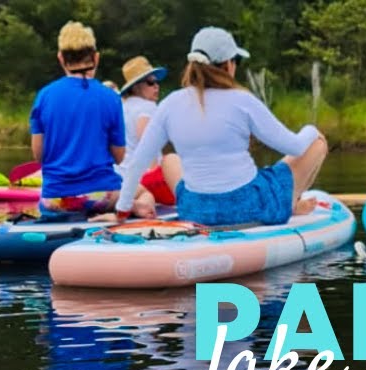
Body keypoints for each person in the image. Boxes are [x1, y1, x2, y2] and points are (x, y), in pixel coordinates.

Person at [113, 27, 327, 226]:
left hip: (196, 210)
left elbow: (138, 163)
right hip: (249, 207)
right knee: (316, 143)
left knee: (170, 160)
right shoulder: (243, 100)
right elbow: (296, 147)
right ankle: (290, 203)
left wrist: (122, 210)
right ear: (228, 65)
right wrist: (312, 129)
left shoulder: (170, 103)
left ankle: (291, 204)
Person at [29, 22, 152, 217]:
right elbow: (119, 156)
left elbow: (38, 155)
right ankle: (128, 210)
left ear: (61, 58)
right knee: (144, 192)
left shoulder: (44, 96)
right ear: (96, 57)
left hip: (55, 200)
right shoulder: (111, 98)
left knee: (53, 199)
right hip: (101, 197)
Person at [118, 55, 175, 206]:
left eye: (156, 82)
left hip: (123, 179)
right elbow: (148, 148)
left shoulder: (122, 108)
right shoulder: (147, 107)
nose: (156, 86)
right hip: (144, 180)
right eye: (151, 82)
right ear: (136, 87)